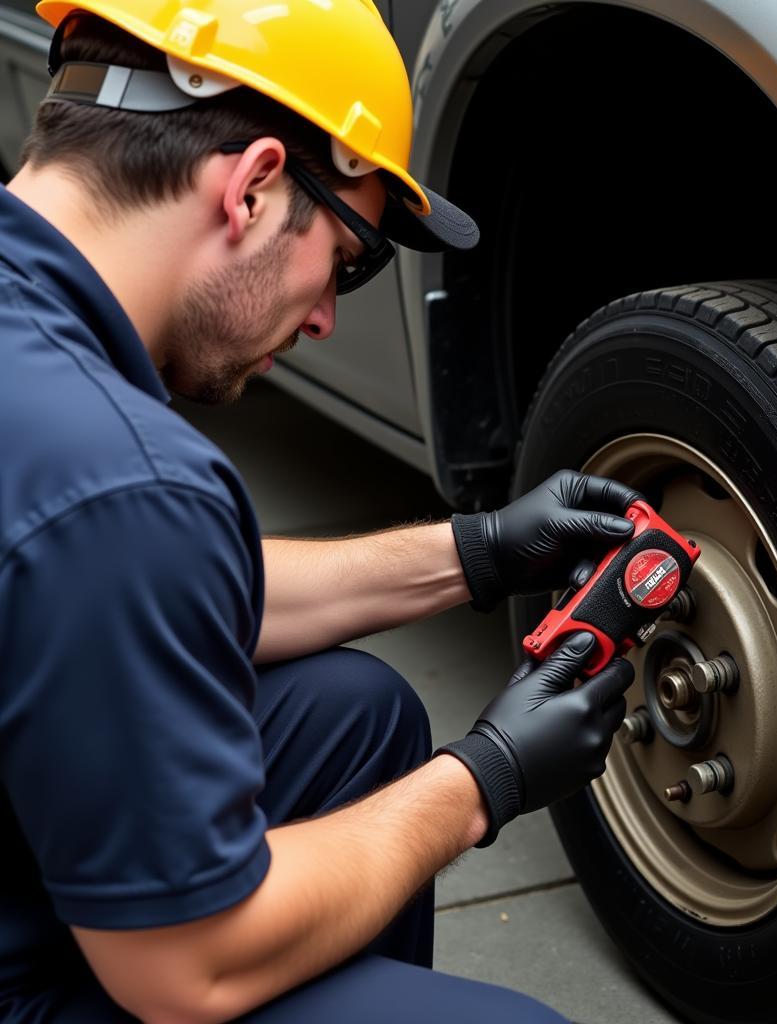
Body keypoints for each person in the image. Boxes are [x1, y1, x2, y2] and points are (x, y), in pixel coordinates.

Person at [0, 2, 641, 1020]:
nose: (324, 316)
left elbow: (123, 593)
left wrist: (475, 551)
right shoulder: (122, 476)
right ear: (253, 184)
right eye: (349, 259)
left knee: (352, 714)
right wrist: (486, 776)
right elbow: (182, 969)